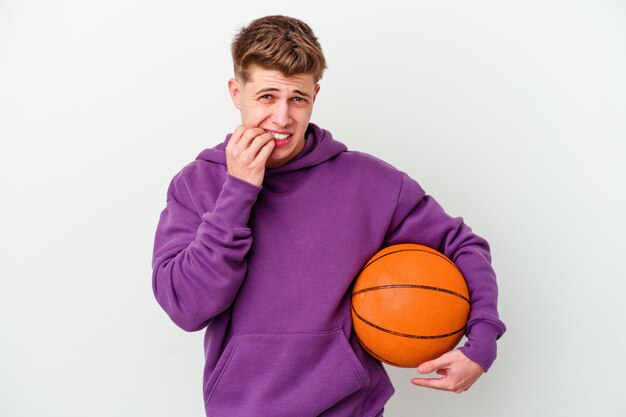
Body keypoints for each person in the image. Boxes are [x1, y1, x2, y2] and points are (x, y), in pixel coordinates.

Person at [151, 15, 506, 417]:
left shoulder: (368, 183)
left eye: (297, 98)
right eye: (267, 96)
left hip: (351, 409)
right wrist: (238, 192)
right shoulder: (197, 184)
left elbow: (462, 245)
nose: (283, 118)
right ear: (237, 92)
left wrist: (482, 343)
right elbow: (186, 307)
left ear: (315, 94)